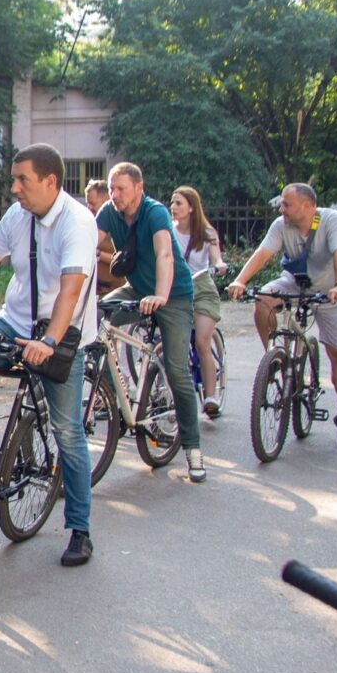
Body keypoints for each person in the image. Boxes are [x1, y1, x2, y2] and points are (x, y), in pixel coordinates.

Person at [0, 143, 97, 567]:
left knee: (68, 432)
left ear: (50, 181)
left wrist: (48, 341)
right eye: (13, 179)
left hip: (60, 335)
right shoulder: (18, 216)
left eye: (22, 180)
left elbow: (71, 290)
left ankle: (80, 530)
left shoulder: (78, 223)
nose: (13, 188)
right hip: (13, 323)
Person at [95, 162, 207, 483]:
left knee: (176, 370)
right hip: (138, 289)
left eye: (121, 189)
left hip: (173, 294)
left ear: (139, 189)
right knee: (96, 318)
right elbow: (86, 245)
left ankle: (193, 449)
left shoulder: (155, 212)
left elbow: (165, 255)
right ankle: (111, 392)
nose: (114, 195)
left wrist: (160, 295)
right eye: (112, 188)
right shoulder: (109, 212)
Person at [225, 182, 337, 445]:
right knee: (262, 299)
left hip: (329, 290)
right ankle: (275, 357)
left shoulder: (332, 220)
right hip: (294, 281)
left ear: (307, 206)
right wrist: (240, 280)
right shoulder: (281, 225)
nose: (280, 208)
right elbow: (262, 254)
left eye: (286, 204)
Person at [168, 186, 228, 416]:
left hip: (201, 287)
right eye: (172, 203)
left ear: (192, 207)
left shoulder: (206, 232)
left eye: (179, 203)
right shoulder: (168, 232)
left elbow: (216, 257)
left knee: (202, 343)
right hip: (176, 289)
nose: (173, 208)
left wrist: (219, 264)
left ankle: (211, 397)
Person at [85, 178, 126, 295]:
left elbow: (124, 260)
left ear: (105, 201)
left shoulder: (119, 226)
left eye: (92, 203)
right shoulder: (90, 224)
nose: (89, 208)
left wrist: (98, 254)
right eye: (87, 203)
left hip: (114, 291)